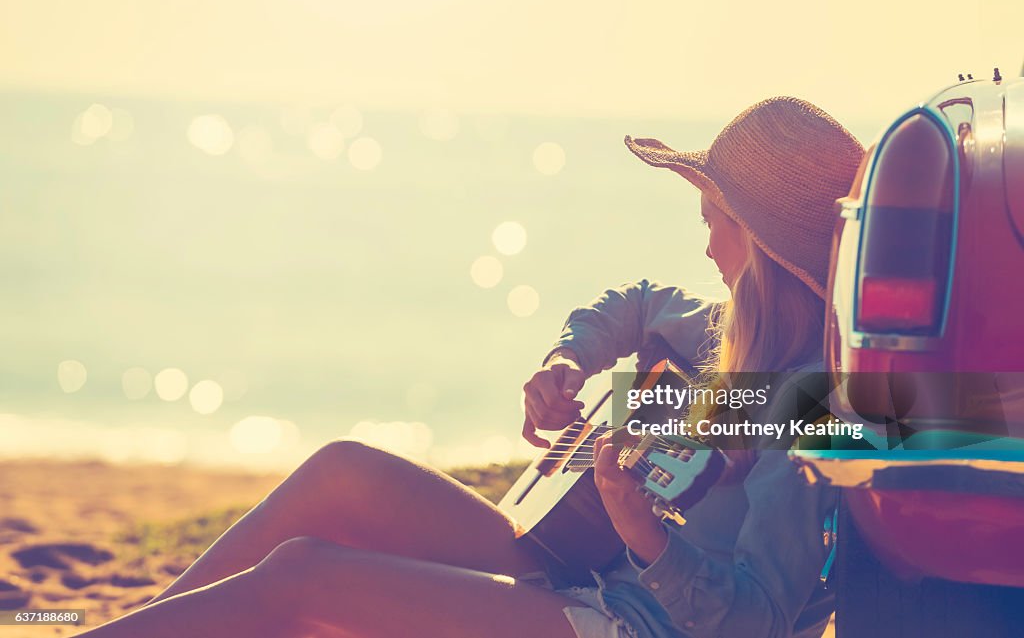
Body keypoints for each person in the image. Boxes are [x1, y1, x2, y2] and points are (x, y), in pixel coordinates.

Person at [73, 96, 864, 638]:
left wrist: (643, 531)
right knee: (343, 471)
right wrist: (568, 358)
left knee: (306, 574)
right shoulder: (711, 331)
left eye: (715, 223)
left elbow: (760, 618)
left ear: (761, 241)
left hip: (628, 623)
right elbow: (631, 302)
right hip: (579, 571)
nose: (706, 248)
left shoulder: (802, 407)